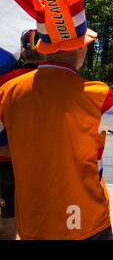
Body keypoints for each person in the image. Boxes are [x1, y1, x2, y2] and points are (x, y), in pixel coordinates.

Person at [0, 0, 113, 240]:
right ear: (79, 47)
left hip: (34, 222)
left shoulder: (9, 91)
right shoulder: (97, 95)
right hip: (85, 221)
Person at [0, 29, 46, 240]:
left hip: (5, 163)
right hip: (43, 166)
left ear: (22, 52)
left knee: (7, 222)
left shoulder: (4, 81)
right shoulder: (62, 83)